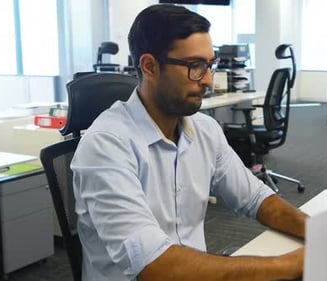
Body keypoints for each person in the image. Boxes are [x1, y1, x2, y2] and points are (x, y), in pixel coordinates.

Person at [71, 4, 307, 281]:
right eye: (195, 66)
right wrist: (288, 266)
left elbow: (256, 198)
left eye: (210, 65)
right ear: (150, 66)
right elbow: (155, 265)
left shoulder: (205, 130)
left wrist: (318, 233)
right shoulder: (106, 146)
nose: (208, 80)